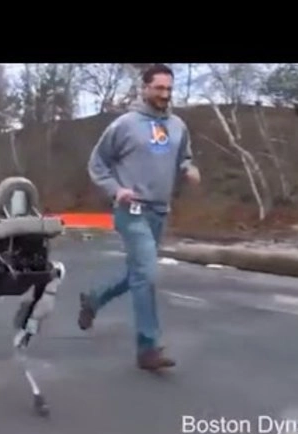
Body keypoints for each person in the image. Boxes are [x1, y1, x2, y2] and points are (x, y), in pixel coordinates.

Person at [78, 63, 201, 371]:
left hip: (160, 211)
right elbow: (97, 164)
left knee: (138, 274)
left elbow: (184, 157)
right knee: (147, 274)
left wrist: (188, 169)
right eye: (159, 88)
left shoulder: (178, 126)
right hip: (131, 211)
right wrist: (116, 189)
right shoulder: (125, 125)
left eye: (169, 89)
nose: (165, 94)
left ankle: (94, 299)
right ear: (144, 88)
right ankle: (148, 347)